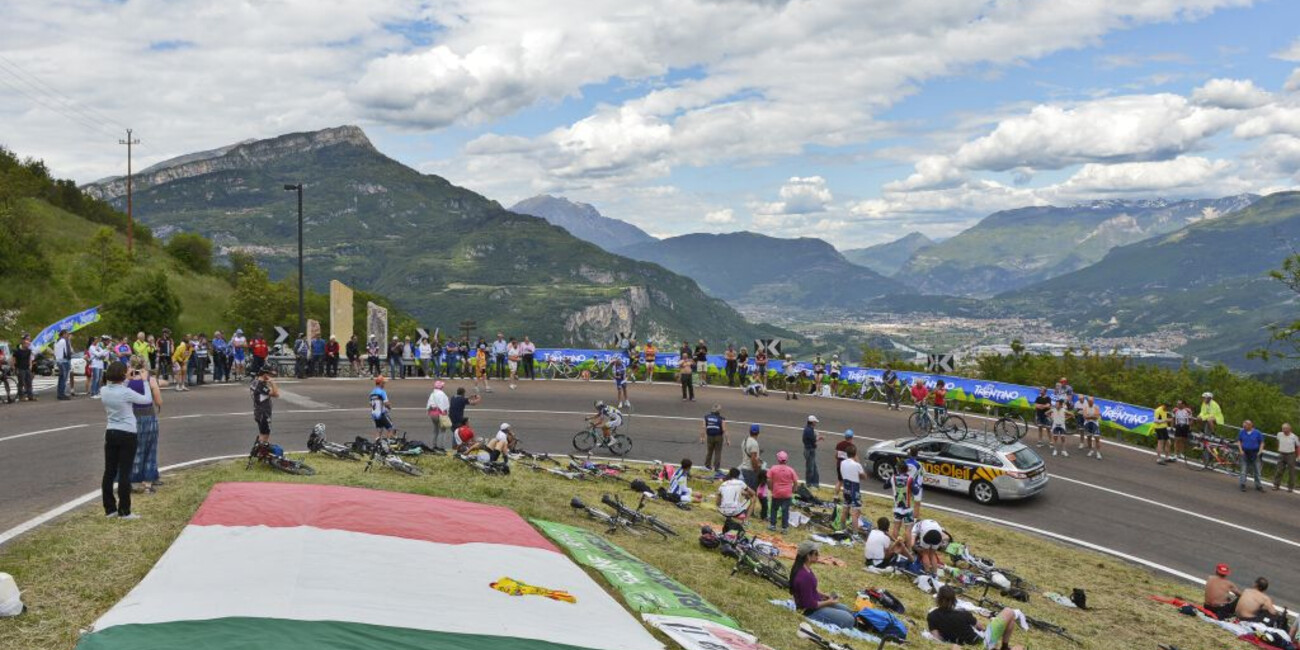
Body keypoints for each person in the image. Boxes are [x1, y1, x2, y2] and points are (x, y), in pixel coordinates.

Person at [100, 361, 154, 520]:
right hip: (127, 432)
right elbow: (146, 399)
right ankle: (125, 510)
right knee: (124, 472)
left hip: (111, 431)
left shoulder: (104, 390)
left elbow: (117, 388)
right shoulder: (126, 392)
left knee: (109, 471)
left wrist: (127, 379)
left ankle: (110, 509)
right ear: (123, 375)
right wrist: (144, 381)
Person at [930, 585, 1025, 650]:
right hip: (981, 645)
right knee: (1008, 611)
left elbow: (936, 637)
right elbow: (980, 627)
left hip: (964, 646)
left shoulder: (932, 616)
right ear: (954, 599)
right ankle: (1004, 647)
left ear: (938, 598)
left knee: (1011, 621)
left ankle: (1004, 647)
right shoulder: (962, 613)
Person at [789, 541, 856, 628]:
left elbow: (812, 589)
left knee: (848, 610)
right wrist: (829, 602)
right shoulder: (804, 577)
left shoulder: (805, 569)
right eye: (816, 554)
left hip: (816, 603)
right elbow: (810, 604)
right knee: (849, 619)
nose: (818, 556)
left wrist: (825, 595)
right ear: (808, 556)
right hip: (810, 611)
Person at [127, 356, 163, 494]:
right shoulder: (150, 380)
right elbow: (159, 401)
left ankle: (129, 480)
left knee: (131, 450)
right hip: (147, 417)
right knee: (149, 449)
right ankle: (147, 482)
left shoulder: (127, 381)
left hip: (131, 417)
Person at [890, 457, 921, 548]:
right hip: (907, 509)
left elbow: (885, 486)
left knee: (896, 527)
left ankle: (895, 546)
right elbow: (916, 491)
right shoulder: (910, 479)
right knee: (908, 530)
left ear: (898, 469)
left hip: (897, 507)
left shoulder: (893, 478)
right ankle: (908, 550)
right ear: (907, 469)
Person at [836, 444, 866, 534]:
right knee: (855, 513)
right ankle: (855, 533)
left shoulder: (842, 463)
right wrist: (858, 462)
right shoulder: (857, 465)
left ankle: (842, 528)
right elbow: (864, 476)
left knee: (845, 509)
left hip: (846, 488)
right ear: (855, 453)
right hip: (855, 489)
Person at [767, 450, 799, 533]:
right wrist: (793, 490)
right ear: (787, 460)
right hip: (787, 493)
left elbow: (768, 479)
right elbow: (796, 482)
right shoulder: (790, 470)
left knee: (774, 509)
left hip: (776, 492)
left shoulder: (773, 468)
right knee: (785, 511)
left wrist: (770, 488)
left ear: (778, 459)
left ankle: (773, 525)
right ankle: (784, 528)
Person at [250, 367, 279, 444]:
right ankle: (261, 451)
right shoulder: (261, 386)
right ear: (265, 375)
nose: (271, 376)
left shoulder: (254, 382)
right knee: (265, 434)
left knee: (262, 432)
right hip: (263, 412)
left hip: (258, 411)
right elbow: (276, 394)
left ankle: (257, 449)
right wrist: (273, 382)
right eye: (269, 375)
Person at [1238, 419, 1264, 492]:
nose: (1244, 427)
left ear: (1250, 425)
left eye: (1245, 425)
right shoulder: (1242, 432)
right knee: (1243, 470)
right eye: (1243, 425)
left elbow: (1262, 442)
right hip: (1245, 453)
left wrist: (1260, 451)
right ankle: (1242, 484)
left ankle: (1258, 486)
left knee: (1257, 471)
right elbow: (1239, 441)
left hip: (1255, 453)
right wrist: (1240, 450)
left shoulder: (1257, 433)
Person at [426, 379, 452, 450]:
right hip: (440, 414)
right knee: (442, 430)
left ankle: (434, 445)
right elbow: (445, 405)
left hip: (432, 414)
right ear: (441, 387)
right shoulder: (442, 394)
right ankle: (441, 446)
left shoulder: (432, 394)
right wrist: (445, 413)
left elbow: (429, 405)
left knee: (435, 430)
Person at [701, 404, 727, 472]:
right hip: (718, 437)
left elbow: (703, 427)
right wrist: (728, 440)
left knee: (709, 451)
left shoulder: (706, 417)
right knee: (718, 452)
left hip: (709, 436)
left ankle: (707, 465)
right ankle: (716, 468)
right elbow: (724, 429)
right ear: (719, 411)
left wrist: (702, 437)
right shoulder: (721, 418)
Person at [1274, 423, 1297, 492]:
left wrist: (1298, 455)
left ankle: (1290, 487)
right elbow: (1277, 441)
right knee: (1279, 470)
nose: (1284, 430)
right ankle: (1276, 485)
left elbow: (1298, 446)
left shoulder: (1294, 437)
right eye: (1283, 428)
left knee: (1291, 472)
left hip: (1290, 455)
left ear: (1289, 429)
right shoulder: (1279, 434)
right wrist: (1279, 449)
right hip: (1281, 454)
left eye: (1285, 428)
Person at [802, 415, 823, 487]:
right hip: (809, 451)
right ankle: (809, 484)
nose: (816, 423)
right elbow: (813, 441)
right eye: (815, 422)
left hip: (810, 450)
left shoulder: (809, 429)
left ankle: (815, 484)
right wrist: (818, 438)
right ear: (812, 422)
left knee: (813, 467)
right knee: (810, 468)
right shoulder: (809, 430)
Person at [741, 424, 763, 491]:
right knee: (752, 492)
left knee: (748, 491)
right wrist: (757, 470)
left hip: (744, 467)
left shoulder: (745, 440)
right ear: (758, 432)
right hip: (750, 470)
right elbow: (753, 458)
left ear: (749, 431)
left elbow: (748, 453)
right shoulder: (754, 443)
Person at [13, 334, 35, 402]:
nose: (28, 343)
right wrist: (14, 368)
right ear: (22, 342)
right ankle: (21, 397)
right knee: (21, 383)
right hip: (20, 368)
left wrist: (30, 365)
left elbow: (29, 359)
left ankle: (30, 396)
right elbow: (13, 360)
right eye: (27, 341)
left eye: (29, 341)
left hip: (27, 368)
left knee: (29, 382)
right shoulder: (17, 351)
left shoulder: (29, 351)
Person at [1080, 395, 1102, 460]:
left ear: (1093, 401)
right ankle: (1091, 450)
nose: (1090, 402)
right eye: (1089, 401)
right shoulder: (1085, 407)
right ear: (1088, 401)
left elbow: (1096, 417)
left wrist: (1089, 416)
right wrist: (1092, 416)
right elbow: (1085, 417)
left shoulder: (1096, 407)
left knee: (1097, 438)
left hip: (1095, 424)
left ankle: (1098, 453)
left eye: (1091, 401)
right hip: (1087, 424)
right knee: (1089, 438)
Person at [54, 330, 73, 400]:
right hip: (64, 360)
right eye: (67, 334)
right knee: (64, 378)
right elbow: (67, 351)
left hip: (59, 360)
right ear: (64, 334)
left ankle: (60, 393)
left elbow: (56, 352)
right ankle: (62, 394)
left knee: (61, 378)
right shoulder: (64, 341)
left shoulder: (57, 341)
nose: (68, 335)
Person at [1153, 400, 1171, 464]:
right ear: (1164, 405)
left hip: (1164, 428)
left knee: (1168, 442)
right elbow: (1155, 421)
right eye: (1167, 407)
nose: (1168, 409)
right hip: (1158, 428)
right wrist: (1166, 420)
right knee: (1160, 443)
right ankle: (1158, 458)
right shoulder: (1158, 410)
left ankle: (1167, 457)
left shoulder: (1165, 410)